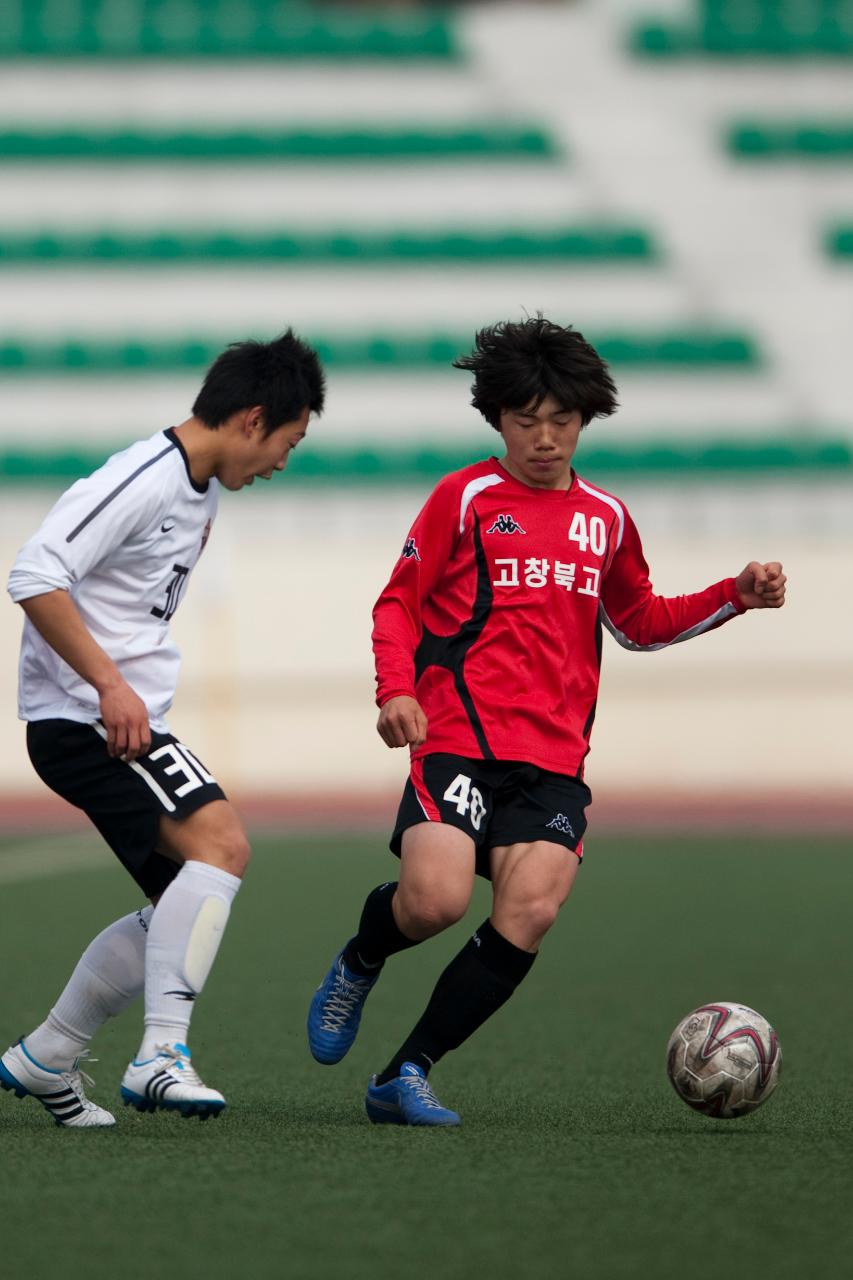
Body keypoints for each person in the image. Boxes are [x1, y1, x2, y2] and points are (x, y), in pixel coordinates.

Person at [306, 316, 786, 1127]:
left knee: (531, 908)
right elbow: (398, 602)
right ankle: (360, 957)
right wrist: (396, 690)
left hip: (552, 761)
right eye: (526, 420)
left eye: (560, 421)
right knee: (432, 902)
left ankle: (404, 1074)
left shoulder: (606, 517)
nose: (544, 438)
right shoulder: (462, 498)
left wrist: (732, 594)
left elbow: (636, 620)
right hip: (454, 739)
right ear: (497, 419)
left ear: (582, 421)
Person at [1, 331, 324, 1127]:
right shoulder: (143, 478)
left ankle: (46, 1055)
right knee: (222, 847)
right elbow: (34, 573)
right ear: (253, 420)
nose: (284, 461)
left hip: (110, 719)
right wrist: (109, 685)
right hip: (90, 721)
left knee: (183, 904)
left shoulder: (203, 486)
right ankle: (160, 1056)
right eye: (288, 441)